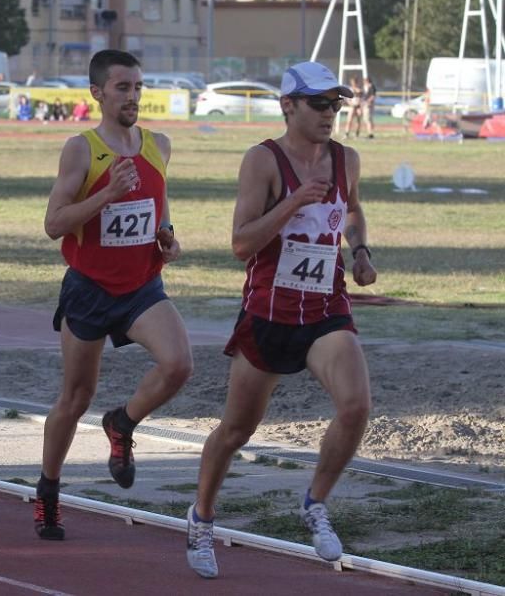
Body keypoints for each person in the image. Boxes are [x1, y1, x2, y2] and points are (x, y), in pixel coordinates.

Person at [184, 61, 377, 579]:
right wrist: (293, 201)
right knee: (237, 429)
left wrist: (358, 252)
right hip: (269, 311)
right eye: (319, 104)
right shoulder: (263, 161)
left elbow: (353, 210)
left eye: (336, 104)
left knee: (356, 406)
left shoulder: (346, 158)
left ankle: (315, 503)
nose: (330, 114)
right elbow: (240, 244)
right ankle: (201, 517)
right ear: (287, 105)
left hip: (325, 308)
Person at [35, 49, 192, 541]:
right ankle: (48, 494)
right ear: (97, 94)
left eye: (138, 87)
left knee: (179, 365)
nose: (132, 97)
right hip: (89, 289)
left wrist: (167, 234)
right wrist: (105, 194)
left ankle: (122, 423)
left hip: (141, 286)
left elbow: (157, 203)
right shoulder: (81, 149)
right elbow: (53, 224)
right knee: (75, 397)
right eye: (122, 88)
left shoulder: (158, 144)